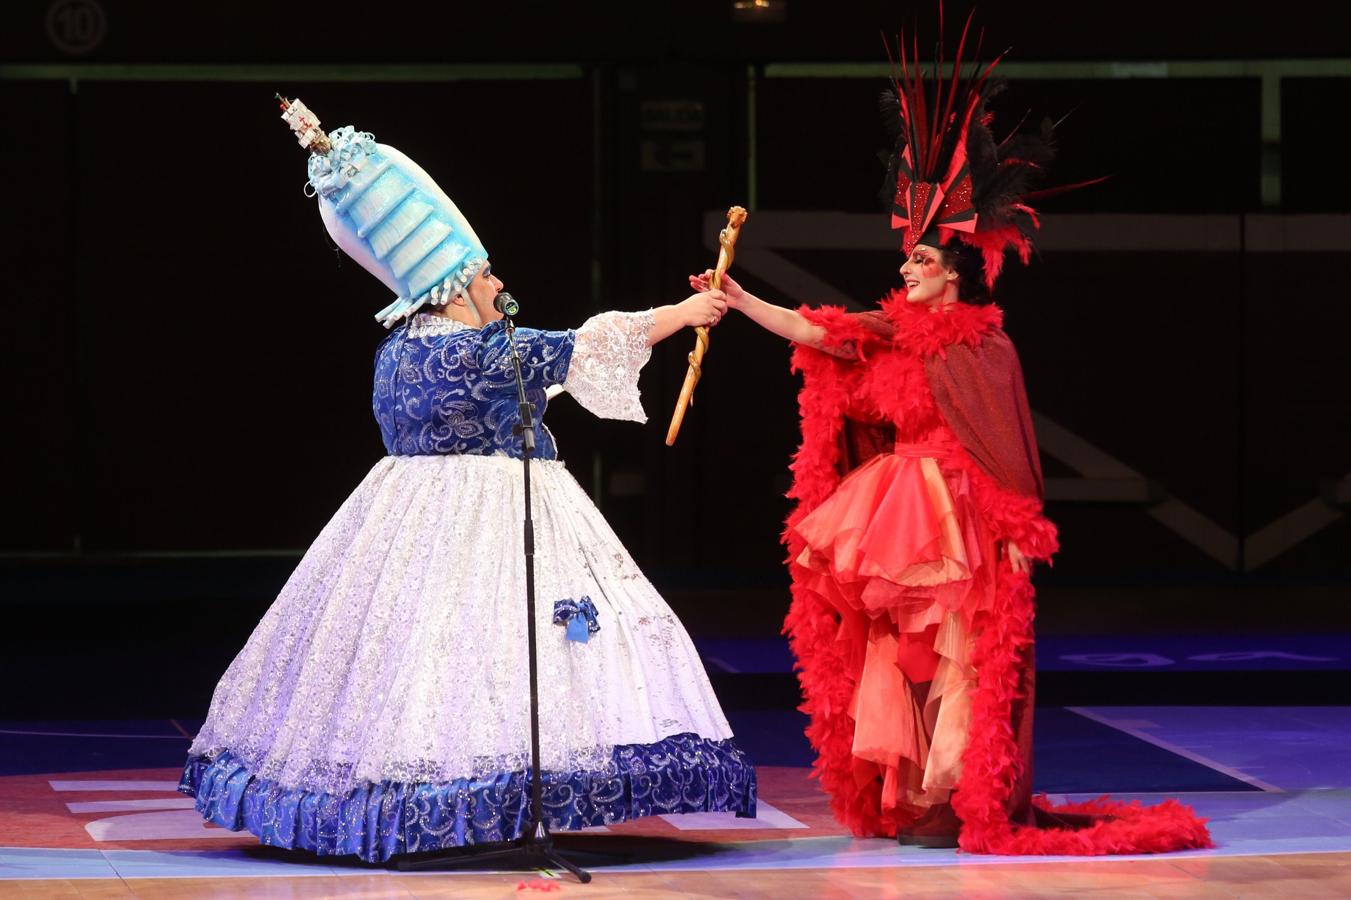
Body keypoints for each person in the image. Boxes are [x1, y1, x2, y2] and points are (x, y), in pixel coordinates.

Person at [178, 103, 755, 863]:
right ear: (455, 287)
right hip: (485, 509)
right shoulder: (482, 353)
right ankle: (477, 791)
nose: (498, 281)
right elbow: (581, 346)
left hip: (404, 511)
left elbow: (528, 379)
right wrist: (682, 312)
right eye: (485, 274)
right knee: (475, 643)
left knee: (413, 644)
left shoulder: (400, 353)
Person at [688, 18, 1211, 854]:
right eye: (906, 259)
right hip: (893, 507)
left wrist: (1011, 532)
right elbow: (823, 332)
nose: (905, 269)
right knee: (897, 651)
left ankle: (955, 796)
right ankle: (914, 797)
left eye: (921, 261)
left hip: (957, 513)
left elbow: (1001, 443)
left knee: (964, 653)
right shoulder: (893, 328)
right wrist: (743, 302)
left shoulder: (982, 345)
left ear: (956, 272)